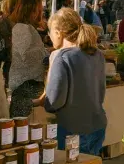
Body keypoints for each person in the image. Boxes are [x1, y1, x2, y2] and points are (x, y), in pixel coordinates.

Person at [41, 8, 107, 155]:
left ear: (58, 32)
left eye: (50, 32)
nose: (49, 36)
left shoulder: (61, 57)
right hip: (97, 125)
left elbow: (53, 102)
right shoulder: (97, 54)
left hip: (72, 129)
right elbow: (101, 93)